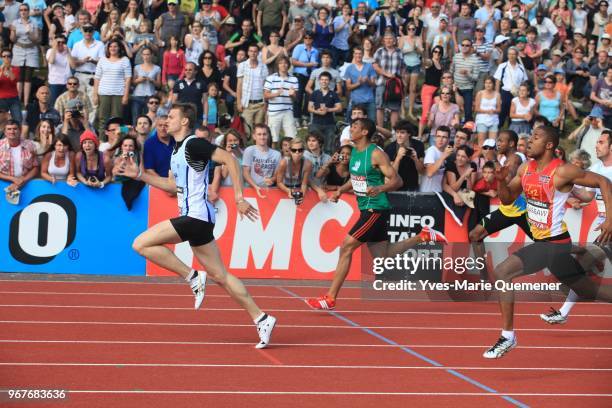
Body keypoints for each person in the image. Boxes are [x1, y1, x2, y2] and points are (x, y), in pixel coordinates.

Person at [114, 102, 277, 349]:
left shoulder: (193, 144)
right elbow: (171, 186)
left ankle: (192, 277)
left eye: (171, 117)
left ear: (184, 121)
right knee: (220, 275)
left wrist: (239, 197)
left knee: (140, 243)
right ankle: (262, 318)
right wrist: (139, 175)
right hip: (199, 219)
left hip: (196, 216)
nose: (165, 121)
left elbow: (230, 160)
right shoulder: (177, 151)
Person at [483, 126, 612, 358]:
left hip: (555, 243)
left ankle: (508, 336)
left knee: (503, 272)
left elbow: (605, 182)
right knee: (588, 289)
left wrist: (610, 220)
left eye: (535, 138)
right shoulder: (525, 168)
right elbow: (508, 198)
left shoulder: (563, 171)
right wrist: (501, 182)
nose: (529, 141)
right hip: (548, 243)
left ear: (549, 145)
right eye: (529, 137)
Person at [305, 118, 448, 310]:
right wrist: (340, 190)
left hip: (375, 208)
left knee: (346, 246)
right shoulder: (354, 151)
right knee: (384, 255)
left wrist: (380, 188)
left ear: (364, 132)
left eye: (354, 127)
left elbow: (397, 181)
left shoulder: (376, 154)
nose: (350, 130)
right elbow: (357, 179)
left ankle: (330, 297)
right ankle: (423, 236)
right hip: (367, 207)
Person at [540, 130, 612, 324]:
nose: (597, 145)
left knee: (582, 266)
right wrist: (569, 187)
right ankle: (564, 312)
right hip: (604, 233)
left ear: (611, 147)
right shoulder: (596, 168)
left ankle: (564, 310)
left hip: (609, 229)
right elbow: (589, 196)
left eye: (601, 142)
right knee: (582, 267)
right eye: (597, 141)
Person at [237, 44, 269, 138]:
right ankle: (247, 150)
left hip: (260, 103)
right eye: (251, 51)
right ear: (248, 52)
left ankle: (258, 150)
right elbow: (239, 85)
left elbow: (266, 86)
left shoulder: (263, 67)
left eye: (255, 51)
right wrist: (239, 102)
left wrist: (266, 103)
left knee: (259, 131)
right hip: (247, 104)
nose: (253, 53)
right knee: (247, 131)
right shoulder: (242, 66)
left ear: (258, 53)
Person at [242, 123, 281, 197]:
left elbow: (277, 175)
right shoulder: (249, 150)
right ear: (254, 136)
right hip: (251, 189)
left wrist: (272, 180)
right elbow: (245, 173)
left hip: (269, 190)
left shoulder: (277, 154)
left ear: (268, 135)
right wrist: (255, 186)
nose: (262, 137)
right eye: (259, 134)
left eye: (264, 134)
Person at [384, 120, 425, 192]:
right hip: (395, 188)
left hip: (412, 187)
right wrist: (398, 158)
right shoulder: (390, 148)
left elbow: (422, 171)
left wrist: (415, 159)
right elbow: (390, 175)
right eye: (397, 132)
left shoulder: (418, 145)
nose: (399, 135)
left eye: (402, 132)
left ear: (409, 134)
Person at [0, 119, 39, 193]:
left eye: (15, 129)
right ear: (5, 132)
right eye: (9, 129)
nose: (12, 131)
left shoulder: (29, 145)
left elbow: (36, 167)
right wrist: (13, 179)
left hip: (26, 185)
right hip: (3, 185)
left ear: (20, 130)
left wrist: (23, 180)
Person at [308, 71, 342, 154]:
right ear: (319, 81)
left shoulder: (333, 94)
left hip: (329, 123)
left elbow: (340, 108)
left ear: (329, 81)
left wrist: (328, 110)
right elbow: (309, 108)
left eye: (326, 80)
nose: (324, 81)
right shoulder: (314, 93)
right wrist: (316, 111)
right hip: (316, 123)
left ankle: (327, 165)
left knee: (329, 147)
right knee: (314, 146)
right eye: (322, 79)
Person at [275, 138, 311, 203]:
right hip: (284, 188)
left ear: (303, 151)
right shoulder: (284, 163)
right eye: (294, 150)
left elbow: (304, 184)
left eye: (300, 150)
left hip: (299, 188)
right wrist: (288, 190)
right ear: (290, 151)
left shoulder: (308, 164)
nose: (297, 152)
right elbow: (279, 182)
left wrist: (302, 194)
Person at [420, 125, 453, 193]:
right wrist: (443, 156)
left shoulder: (447, 153)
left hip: (438, 192)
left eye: (444, 137)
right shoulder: (431, 151)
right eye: (438, 136)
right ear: (434, 138)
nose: (440, 139)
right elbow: (429, 173)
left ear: (448, 140)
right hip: (427, 193)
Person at [473, 76, 501, 146]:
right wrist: (487, 111)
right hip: (482, 120)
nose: (488, 85)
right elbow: (476, 108)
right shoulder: (480, 93)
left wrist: (494, 111)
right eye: (486, 83)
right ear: (484, 84)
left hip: (493, 120)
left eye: (490, 83)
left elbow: (499, 109)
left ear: (493, 84)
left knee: (493, 142)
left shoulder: (497, 94)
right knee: (481, 142)